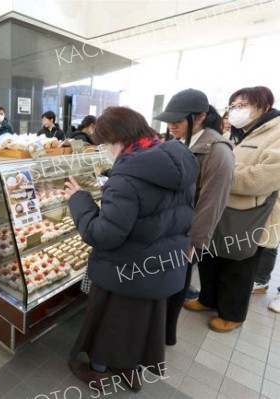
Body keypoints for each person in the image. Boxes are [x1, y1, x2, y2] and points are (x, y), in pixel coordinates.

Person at [66, 107, 198, 393]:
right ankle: (130, 367)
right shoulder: (178, 160)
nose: (103, 150)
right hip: (163, 267)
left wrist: (79, 200)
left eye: (103, 144)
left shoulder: (126, 178)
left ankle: (96, 367)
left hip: (125, 270)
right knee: (140, 322)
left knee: (111, 322)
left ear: (118, 139)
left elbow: (104, 235)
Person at [185, 86, 280, 332]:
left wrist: (219, 175)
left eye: (243, 105)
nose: (236, 111)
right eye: (233, 106)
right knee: (210, 257)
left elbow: (266, 177)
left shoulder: (275, 133)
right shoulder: (237, 133)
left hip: (249, 214)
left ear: (264, 107)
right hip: (221, 208)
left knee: (238, 265)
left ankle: (232, 314)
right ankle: (208, 299)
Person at [154, 88, 234, 345]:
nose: (171, 126)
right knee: (162, 283)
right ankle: (154, 331)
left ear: (199, 117)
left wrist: (194, 243)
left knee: (177, 284)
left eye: (177, 121)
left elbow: (212, 203)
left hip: (186, 234)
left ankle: (165, 337)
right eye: (169, 121)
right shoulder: (178, 141)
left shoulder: (217, 151)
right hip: (167, 228)